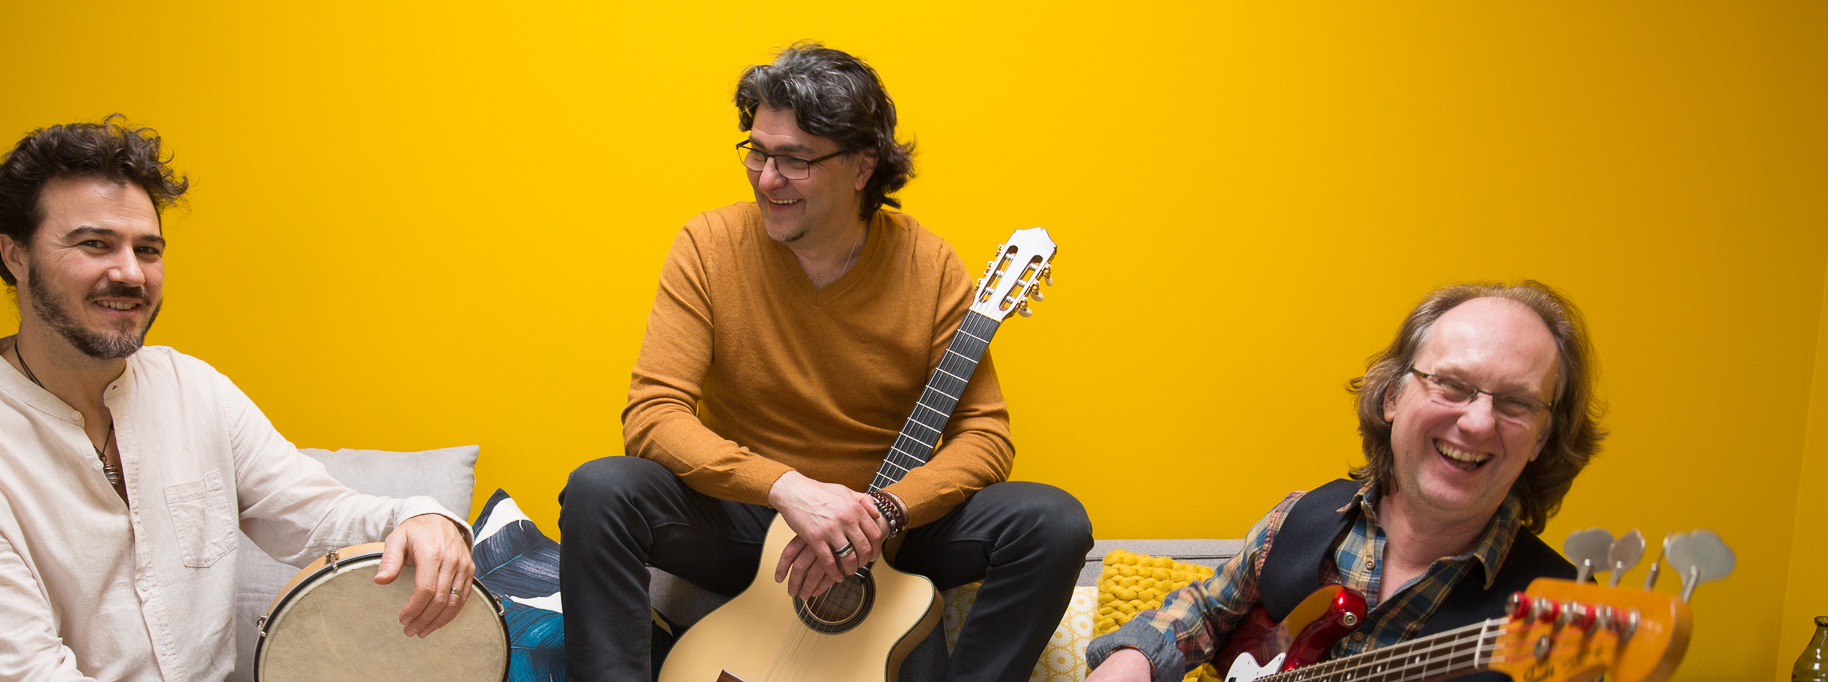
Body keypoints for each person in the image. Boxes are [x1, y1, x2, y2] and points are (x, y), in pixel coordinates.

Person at [557, 43, 1094, 682]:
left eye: (794, 159)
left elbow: (984, 436)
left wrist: (885, 511)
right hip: (754, 524)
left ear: (863, 165)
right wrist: (788, 488)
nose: (766, 176)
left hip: (890, 532)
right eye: (757, 151)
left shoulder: (930, 265)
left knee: (1054, 522)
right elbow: (652, 415)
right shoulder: (707, 246)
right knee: (599, 491)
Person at [0, 116, 475, 681]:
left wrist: (418, 515)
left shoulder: (196, 390)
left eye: (148, 250)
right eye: (95, 244)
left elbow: (317, 517)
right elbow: (25, 671)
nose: (131, 274)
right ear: (15, 254)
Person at [1084, 282, 1606, 682]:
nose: (1477, 422)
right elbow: (1206, 607)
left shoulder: (1563, 616)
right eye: (1451, 384)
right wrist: (1135, 657)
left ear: (1542, 438)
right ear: (1392, 396)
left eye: (1516, 402)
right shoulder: (1301, 516)